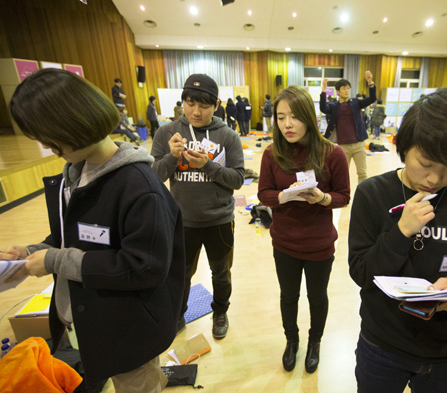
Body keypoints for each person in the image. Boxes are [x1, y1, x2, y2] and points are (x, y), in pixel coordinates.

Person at [1, 68, 184, 392]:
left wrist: (56, 261)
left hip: (130, 335)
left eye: (49, 137)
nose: (47, 145)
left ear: (73, 122)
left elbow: (144, 267)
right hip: (89, 326)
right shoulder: (73, 174)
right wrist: (31, 253)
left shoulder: (141, 188)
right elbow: (71, 239)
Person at [348, 87, 447, 393]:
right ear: (403, 144)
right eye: (425, 163)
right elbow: (361, 274)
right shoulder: (373, 193)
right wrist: (400, 233)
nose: (435, 179)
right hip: (383, 345)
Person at [257, 85, 350, 374]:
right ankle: (292, 341)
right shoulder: (272, 153)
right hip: (284, 242)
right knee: (288, 296)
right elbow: (263, 194)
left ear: (309, 117)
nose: (287, 124)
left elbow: (344, 196)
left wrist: (322, 198)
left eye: (294, 117)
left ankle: (314, 342)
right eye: (281, 117)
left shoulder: (332, 153)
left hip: (319, 243)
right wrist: (285, 196)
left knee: (317, 296)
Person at [151, 73, 245, 339]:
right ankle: (178, 314)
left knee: (221, 274)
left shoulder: (227, 136)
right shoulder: (167, 132)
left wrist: (209, 165)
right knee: (179, 275)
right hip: (181, 221)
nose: (196, 111)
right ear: (183, 102)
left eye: (204, 106)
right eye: (190, 104)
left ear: (215, 105)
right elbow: (154, 177)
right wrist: (172, 156)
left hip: (219, 221)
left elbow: (237, 180)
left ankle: (220, 313)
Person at [320, 71, 376, 184]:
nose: (347, 91)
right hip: (343, 146)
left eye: (348, 88)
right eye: (344, 88)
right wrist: (323, 90)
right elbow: (323, 108)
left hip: (358, 144)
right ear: (338, 92)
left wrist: (370, 83)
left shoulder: (355, 102)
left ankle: (362, 197)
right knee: (343, 174)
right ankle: (344, 197)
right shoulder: (334, 106)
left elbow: (372, 98)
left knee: (362, 173)